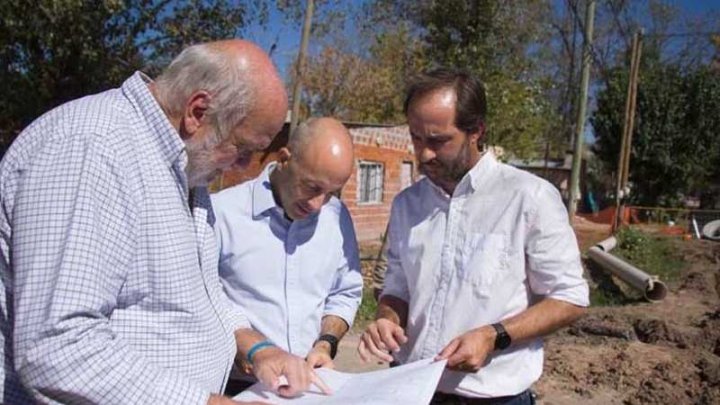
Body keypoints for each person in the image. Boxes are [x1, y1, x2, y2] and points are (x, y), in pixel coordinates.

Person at [0, 40, 329, 405]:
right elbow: (56, 348)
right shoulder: (91, 149)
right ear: (198, 111)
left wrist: (259, 349)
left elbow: (200, 293)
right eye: (244, 150)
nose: (244, 168)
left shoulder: (187, 165)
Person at [357, 68, 589, 404]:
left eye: (438, 140)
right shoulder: (407, 204)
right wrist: (385, 318)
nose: (423, 154)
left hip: (493, 397)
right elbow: (397, 287)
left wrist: (493, 336)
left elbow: (570, 298)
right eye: (416, 138)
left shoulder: (528, 198)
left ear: (476, 130)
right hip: (412, 389)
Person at [212, 118, 363, 395]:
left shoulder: (337, 218)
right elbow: (204, 299)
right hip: (237, 388)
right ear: (284, 159)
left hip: (310, 387)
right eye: (312, 187)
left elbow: (344, 293)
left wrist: (325, 342)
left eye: (331, 193)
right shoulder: (221, 214)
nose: (318, 205)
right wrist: (253, 350)